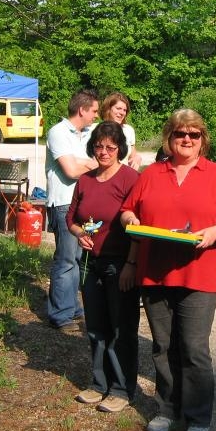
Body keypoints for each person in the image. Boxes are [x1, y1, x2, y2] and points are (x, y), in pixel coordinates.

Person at [120, 109, 216, 431]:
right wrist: (130, 221)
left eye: (193, 134)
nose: (186, 139)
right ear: (169, 138)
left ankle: (198, 417)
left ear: (202, 139)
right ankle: (168, 409)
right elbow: (128, 210)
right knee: (163, 345)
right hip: (155, 272)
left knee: (194, 348)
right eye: (179, 133)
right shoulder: (151, 173)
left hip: (198, 273)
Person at [66, 121, 140, 411]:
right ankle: (99, 384)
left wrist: (131, 263)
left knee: (121, 328)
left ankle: (121, 389)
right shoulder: (85, 180)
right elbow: (71, 218)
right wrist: (79, 233)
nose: (104, 152)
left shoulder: (130, 179)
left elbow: (139, 226)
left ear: (120, 148)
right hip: (90, 262)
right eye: (98, 146)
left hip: (120, 263)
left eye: (110, 147)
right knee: (96, 327)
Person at [45, 89, 99, 331]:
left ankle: (72, 307)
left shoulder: (87, 134)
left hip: (83, 204)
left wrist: (84, 163)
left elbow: (90, 164)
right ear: (82, 110)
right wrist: (90, 164)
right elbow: (70, 171)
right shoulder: (58, 132)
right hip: (64, 203)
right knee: (66, 259)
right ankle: (61, 315)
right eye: (94, 111)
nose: (96, 115)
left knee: (79, 258)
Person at [101, 92, 142, 170]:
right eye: (118, 108)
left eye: (124, 110)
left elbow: (133, 155)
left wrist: (137, 158)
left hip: (124, 175)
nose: (122, 113)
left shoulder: (128, 130)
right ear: (108, 108)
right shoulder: (96, 129)